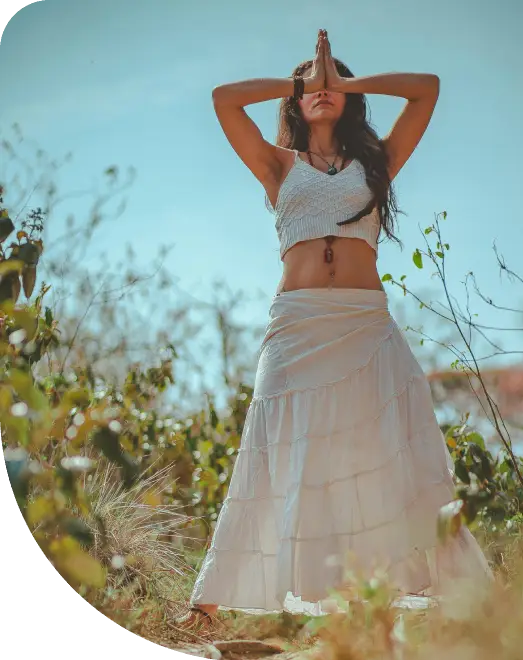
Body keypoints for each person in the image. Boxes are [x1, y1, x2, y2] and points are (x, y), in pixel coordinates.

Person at [176, 29, 492, 628]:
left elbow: (427, 91)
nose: (322, 92)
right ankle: (208, 605)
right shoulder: (277, 164)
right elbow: (223, 99)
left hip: (364, 323)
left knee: (394, 449)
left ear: (348, 99)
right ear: (295, 102)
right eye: (310, 88)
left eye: (332, 86)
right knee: (269, 451)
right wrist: (302, 82)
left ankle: (454, 597)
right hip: (296, 326)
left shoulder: (376, 162)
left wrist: (345, 81)